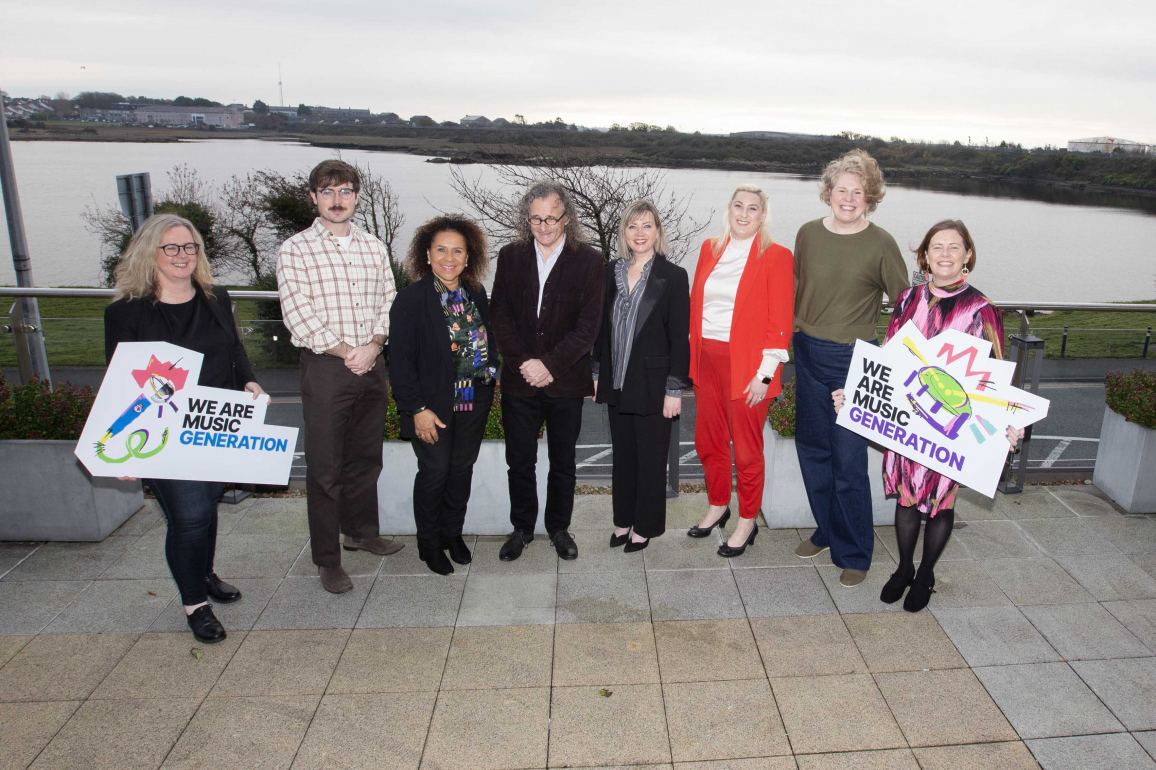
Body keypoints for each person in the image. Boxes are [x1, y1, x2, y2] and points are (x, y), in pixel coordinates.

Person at [835, 220, 1022, 610]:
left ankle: (926, 573)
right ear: (924, 255)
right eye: (937, 247)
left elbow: (998, 373)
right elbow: (888, 353)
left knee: (940, 503)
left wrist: (1010, 422)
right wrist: (856, 395)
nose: (945, 255)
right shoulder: (907, 299)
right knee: (905, 498)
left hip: (950, 426)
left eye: (954, 248)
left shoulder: (982, 310)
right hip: (907, 418)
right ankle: (903, 568)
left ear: (968, 254)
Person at [104, 213, 265, 643]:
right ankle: (195, 603)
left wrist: (248, 381)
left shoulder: (215, 296)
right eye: (171, 247)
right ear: (149, 253)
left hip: (215, 422)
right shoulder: (126, 311)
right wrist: (124, 448)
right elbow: (119, 379)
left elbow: (234, 348)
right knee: (190, 514)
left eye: (189, 247)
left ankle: (204, 572)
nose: (182, 255)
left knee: (207, 504)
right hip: (159, 429)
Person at [276, 159, 402, 594]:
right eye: (327, 192)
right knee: (326, 469)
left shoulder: (373, 245)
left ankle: (362, 532)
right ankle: (328, 559)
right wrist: (350, 351)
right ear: (313, 197)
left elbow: (390, 298)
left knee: (366, 458)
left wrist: (376, 344)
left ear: (357, 196)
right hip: (327, 368)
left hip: (372, 362)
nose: (337, 200)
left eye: (345, 191)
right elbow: (297, 313)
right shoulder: (295, 249)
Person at [792, 149, 909, 587]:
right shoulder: (806, 234)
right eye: (841, 189)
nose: (848, 198)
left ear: (870, 196)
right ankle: (827, 529)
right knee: (812, 450)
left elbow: (905, 306)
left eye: (857, 192)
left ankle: (855, 550)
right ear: (828, 192)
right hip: (805, 350)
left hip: (853, 361)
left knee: (848, 459)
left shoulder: (880, 243)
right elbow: (798, 290)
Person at [488, 180, 605, 562]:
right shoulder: (510, 256)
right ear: (527, 218)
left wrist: (550, 365)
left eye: (551, 218)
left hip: (566, 382)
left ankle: (559, 528)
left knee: (563, 462)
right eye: (535, 218)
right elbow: (500, 316)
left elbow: (588, 326)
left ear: (567, 218)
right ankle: (522, 528)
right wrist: (525, 363)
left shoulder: (589, 261)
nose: (543, 226)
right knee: (519, 461)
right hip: (519, 382)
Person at [688, 185, 794, 558]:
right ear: (728, 209)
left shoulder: (776, 256)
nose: (744, 214)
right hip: (706, 361)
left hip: (749, 368)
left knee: (747, 451)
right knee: (709, 441)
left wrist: (764, 376)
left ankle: (747, 520)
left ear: (763, 215)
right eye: (738, 206)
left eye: (753, 208)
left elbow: (780, 322)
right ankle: (719, 504)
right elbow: (696, 306)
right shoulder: (709, 249)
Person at [388, 216, 497, 574]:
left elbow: (488, 340)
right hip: (431, 405)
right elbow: (400, 363)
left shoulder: (476, 292)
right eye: (441, 249)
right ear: (427, 253)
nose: (449, 257)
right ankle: (429, 544)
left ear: (468, 257)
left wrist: (491, 376)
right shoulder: (411, 299)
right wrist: (416, 409)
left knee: (461, 469)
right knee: (435, 471)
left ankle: (452, 534)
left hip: (473, 400)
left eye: (457, 251)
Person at [592, 201, 690, 552]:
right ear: (624, 232)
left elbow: (680, 337)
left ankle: (644, 527)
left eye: (647, 226)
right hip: (617, 381)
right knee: (624, 456)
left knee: (651, 459)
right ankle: (622, 521)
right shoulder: (611, 271)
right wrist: (596, 372)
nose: (640, 234)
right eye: (633, 227)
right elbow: (601, 327)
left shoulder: (674, 276)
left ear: (658, 231)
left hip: (654, 385)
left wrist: (675, 389)